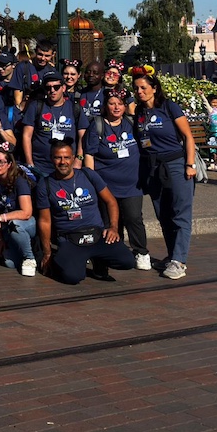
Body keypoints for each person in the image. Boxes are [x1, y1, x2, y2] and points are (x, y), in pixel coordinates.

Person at [35, 142, 135, 284]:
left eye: (67, 157)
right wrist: (47, 252)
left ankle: (98, 260)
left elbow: (111, 201)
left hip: (97, 234)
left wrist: (113, 227)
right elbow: (45, 221)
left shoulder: (88, 175)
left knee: (128, 261)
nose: (63, 162)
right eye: (58, 158)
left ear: (73, 158)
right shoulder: (45, 185)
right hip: (70, 238)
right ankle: (67, 259)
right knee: (72, 278)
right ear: (51, 159)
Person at [131, 66, 197, 280]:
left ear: (154, 88)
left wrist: (189, 164)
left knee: (180, 213)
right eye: (136, 88)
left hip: (176, 165)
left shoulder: (169, 107)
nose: (140, 92)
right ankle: (172, 256)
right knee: (163, 215)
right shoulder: (140, 112)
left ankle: (179, 260)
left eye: (143, 87)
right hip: (153, 168)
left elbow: (188, 137)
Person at [84, 88, 150, 271]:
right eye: (112, 103)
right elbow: (89, 155)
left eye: (120, 104)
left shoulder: (131, 123)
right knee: (110, 222)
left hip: (132, 184)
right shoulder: (97, 125)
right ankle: (115, 251)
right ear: (105, 106)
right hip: (107, 185)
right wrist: (92, 183)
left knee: (133, 217)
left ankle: (141, 251)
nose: (116, 107)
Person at [0, 145, 36, 276]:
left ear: (9, 164)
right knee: (9, 263)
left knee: (15, 225)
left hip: (26, 223)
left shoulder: (20, 181)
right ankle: (18, 250)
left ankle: (30, 258)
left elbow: (26, 212)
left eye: (1, 161)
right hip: (6, 225)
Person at [20, 70, 84, 178]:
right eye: (48, 88)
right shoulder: (36, 106)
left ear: (63, 88)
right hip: (40, 167)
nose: (52, 91)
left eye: (56, 87)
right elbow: (26, 135)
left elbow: (82, 135)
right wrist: (30, 163)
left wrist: (79, 159)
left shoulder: (74, 108)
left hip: (67, 166)